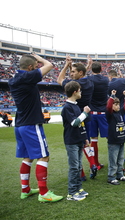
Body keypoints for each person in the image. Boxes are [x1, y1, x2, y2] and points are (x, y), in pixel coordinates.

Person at [8, 53, 63, 203]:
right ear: (31, 67)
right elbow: (50, 66)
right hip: (31, 124)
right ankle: (44, 193)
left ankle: (25, 190)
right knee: (44, 156)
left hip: (19, 124)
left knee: (28, 157)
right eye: (35, 66)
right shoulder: (27, 77)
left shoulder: (13, 79)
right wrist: (40, 59)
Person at [57, 55, 95, 181]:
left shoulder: (73, 85)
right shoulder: (89, 82)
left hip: (76, 116)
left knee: (77, 145)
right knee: (86, 142)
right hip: (87, 117)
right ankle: (92, 163)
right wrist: (87, 67)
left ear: (80, 72)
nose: (71, 74)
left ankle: (81, 174)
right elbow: (83, 74)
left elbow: (59, 79)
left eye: (73, 71)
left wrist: (66, 65)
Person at [61, 81, 90, 201]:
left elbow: (81, 125)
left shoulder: (76, 106)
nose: (81, 92)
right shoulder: (67, 107)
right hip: (71, 141)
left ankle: (78, 188)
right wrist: (85, 113)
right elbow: (74, 123)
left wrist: (85, 138)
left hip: (78, 140)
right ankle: (71, 193)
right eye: (79, 90)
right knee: (74, 167)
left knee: (78, 167)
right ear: (75, 92)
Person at [86, 58, 109, 175]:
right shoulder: (105, 80)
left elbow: (82, 77)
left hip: (92, 113)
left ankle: (95, 163)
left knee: (93, 140)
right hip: (103, 113)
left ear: (91, 69)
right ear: (101, 69)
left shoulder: (89, 79)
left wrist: (87, 66)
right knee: (110, 138)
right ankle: (113, 162)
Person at [106, 89, 125, 185]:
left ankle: (120, 174)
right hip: (113, 141)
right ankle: (111, 177)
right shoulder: (110, 114)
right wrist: (112, 96)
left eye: (118, 104)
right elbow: (108, 107)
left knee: (120, 159)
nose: (117, 106)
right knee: (113, 161)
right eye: (115, 105)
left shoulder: (120, 113)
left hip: (121, 140)